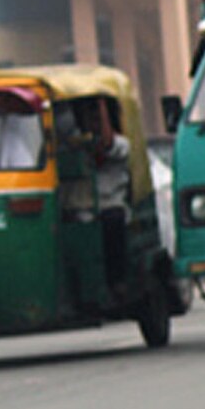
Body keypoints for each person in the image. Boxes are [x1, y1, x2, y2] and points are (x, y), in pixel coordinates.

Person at [82, 97, 131, 288]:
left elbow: (107, 144)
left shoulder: (121, 144)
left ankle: (117, 281)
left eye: (97, 120)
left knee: (112, 223)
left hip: (111, 205)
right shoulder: (80, 144)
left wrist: (101, 106)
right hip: (85, 207)